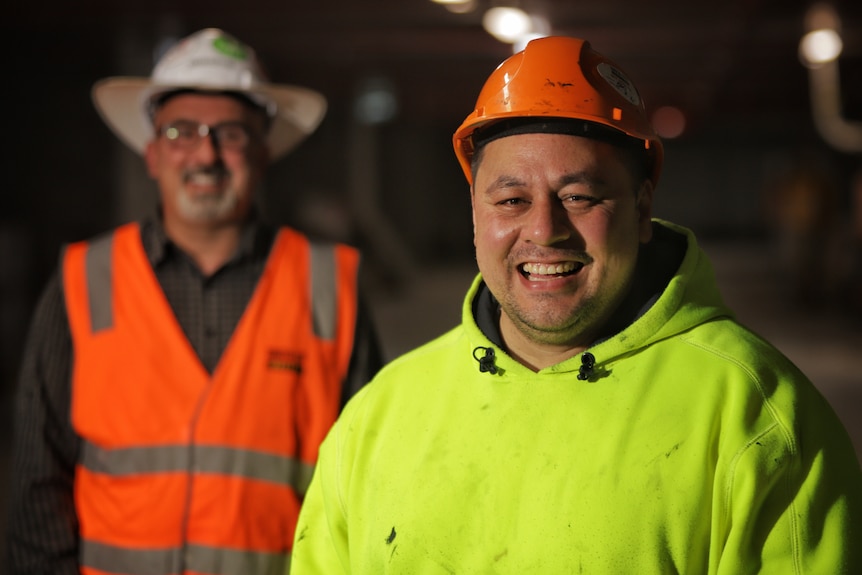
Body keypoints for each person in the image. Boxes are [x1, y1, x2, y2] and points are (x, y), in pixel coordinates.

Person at [289, 36, 862, 573]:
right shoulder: (380, 416)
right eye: (511, 199)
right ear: (475, 216)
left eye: (578, 196)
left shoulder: (758, 417)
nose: (544, 229)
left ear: (641, 210)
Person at [7, 28, 383, 575]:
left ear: (262, 150)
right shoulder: (83, 281)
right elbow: (38, 484)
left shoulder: (332, 285)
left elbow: (366, 482)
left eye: (229, 134)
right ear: (152, 154)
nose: (204, 155)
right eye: (181, 132)